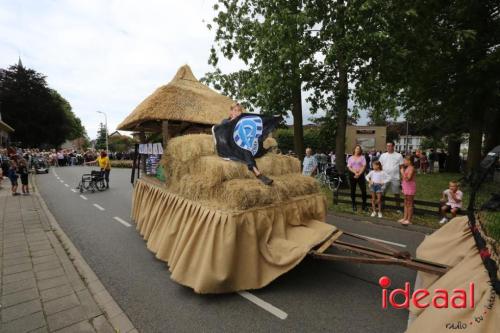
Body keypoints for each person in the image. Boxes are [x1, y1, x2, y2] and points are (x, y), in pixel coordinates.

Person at [219, 103, 273, 185]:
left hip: (243, 145)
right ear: (231, 112)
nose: (237, 112)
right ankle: (258, 174)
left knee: (254, 142)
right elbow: (222, 131)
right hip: (231, 147)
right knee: (245, 148)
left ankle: (263, 151)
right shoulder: (225, 121)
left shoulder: (243, 123)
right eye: (235, 110)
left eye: (239, 111)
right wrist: (231, 121)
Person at [379, 142, 404, 210]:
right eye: (387, 146)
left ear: (393, 146)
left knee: (396, 193)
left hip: (395, 178)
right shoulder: (383, 155)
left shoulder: (399, 155)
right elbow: (380, 167)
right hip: (384, 178)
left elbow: (401, 167)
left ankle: (398, 208)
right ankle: (382, 206)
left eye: (390, 146)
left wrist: (403, 176)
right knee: (382, 192)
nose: (388, 147)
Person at [347, 145, 367, 211]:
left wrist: (359, 174)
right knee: (353, 191)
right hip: (352, 175)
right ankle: (354, 205)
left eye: (359, 149)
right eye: (356, 148)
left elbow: (363, 166)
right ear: (354, 150)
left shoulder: (362, 157)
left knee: (364, 190)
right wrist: (355, 172)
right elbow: (349, 167)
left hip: (360, 176)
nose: (358, 150)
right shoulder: (350, 158)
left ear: (360, 150)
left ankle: (364, 205)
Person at [400, 156, 416, 225]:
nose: (404, 162)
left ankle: (409, 219)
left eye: (405, 161)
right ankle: (405, 218)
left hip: (410, 187)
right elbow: (404, 179)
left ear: (409, 161)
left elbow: (408, 178)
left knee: (409, 203)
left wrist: (402, 172)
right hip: (406, 187)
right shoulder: (407, 168)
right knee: (406, 202)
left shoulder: (411, 168)